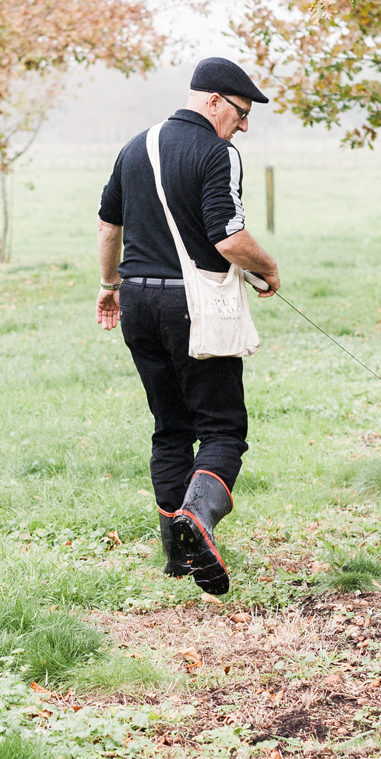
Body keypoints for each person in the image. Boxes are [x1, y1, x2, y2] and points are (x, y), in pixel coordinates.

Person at [95, 58, 280, 596]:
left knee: (170, 427)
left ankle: (178, 557)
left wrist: (110, 285)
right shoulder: (218, 153)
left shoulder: (135, 145)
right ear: (215, 101)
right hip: (193, 308)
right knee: (223, 429)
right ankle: (196, 523)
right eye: (242, 113)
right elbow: (228, 239)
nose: (244, 126)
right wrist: (267, 268)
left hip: (138, 304)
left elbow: (109, 226)